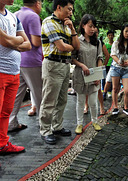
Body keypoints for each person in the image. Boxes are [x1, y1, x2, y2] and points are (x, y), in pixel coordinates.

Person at [39, 0, 80, 144]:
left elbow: (77, 46)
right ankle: (45, 130)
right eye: (69, 9)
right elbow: (62, 46)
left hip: (65, 65)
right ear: (59, 7)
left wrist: (73, 30)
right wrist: (71, 47)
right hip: (52, 64)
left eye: (71, 10)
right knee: (50, 99)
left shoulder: (67, 25)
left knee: (62, 99)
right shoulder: (48, 22)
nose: (71, 12)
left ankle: (57, 126)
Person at [0, 0, 31, 153]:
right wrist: (17, 41)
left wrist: (14, 41)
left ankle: (2, 144)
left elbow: (28, 44)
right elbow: (5, 41)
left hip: (14, 73)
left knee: (6, 112)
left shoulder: (13, 17)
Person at [8, 0, 43, 132]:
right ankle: (43, 123)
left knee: (17, 94)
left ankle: (11, 122)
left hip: (19, 59)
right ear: (37, 3)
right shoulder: (33, 16)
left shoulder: (15, 13)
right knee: (39, 93)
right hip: (32, 61)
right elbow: (35, 42)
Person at [72, 14, 103, 134]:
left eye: (94, 26)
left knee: (93, 102)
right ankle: (79, 124)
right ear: (83, 25)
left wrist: (98, 75)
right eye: (90, 26)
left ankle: (95, 121)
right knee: (80, 102)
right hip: (80, 75)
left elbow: (99, 58)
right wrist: (82, 65)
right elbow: (72, 58)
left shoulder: (98, 42)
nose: (92, 29)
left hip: (93, 76)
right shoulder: (77, 41)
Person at [111, 24, 128, 116]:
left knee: (127, 91)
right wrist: (119, 62)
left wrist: (127, 61)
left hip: (126, 69)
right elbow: (113, 54)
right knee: (115, 88)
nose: (127, 33)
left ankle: (125, 107)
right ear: (122, 31)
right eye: (126, 31)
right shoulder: (116, 43)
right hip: (116, 68)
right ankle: (115, 107)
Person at [84, 27, 109, 115]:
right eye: (94, 32)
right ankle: (86, 106)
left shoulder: (100, 43)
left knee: (98, 89)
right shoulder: (86, 41)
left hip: (97, 68)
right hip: (88, 67)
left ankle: (101, 107)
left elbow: (107, 55)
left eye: (97, 32)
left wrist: (103, 66)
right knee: (87, 88)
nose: (95, 34)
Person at [102, 30, 115, 100]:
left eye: (111, 35)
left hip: (113, 63)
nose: (110, 36)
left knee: (111, 79)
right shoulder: (105, 45)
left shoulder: (115, 44)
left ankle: (109, 91)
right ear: (107, 36)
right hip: (106, 63)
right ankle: (103, 92)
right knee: (104, 78)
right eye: (109, 35)